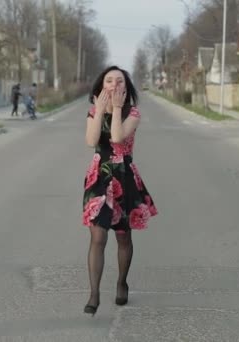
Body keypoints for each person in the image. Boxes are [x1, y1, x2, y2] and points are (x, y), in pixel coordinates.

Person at [82, 66, 158, 316]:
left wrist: (115, 109)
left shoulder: (132, 112)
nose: (114, 84)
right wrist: (101, 110)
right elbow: (93, 141)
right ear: (102, 85)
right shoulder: (94, 111)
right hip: (99, 178)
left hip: (123, 176)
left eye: (119, 81)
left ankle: (121, 282)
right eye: (109, 80)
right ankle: (94, 294)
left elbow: (116, 138)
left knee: (123, 237)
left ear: (126, 87)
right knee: (98, 237)